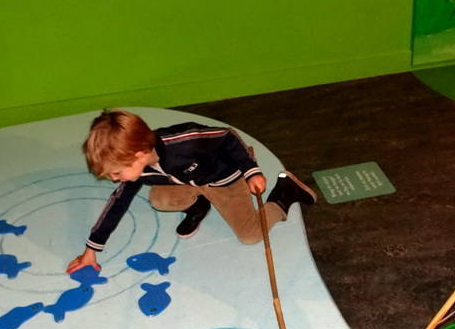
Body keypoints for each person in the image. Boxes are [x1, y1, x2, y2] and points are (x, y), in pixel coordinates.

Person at [67, 110, 316, 273]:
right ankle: (199, 206)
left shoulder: (184, 142)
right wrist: (91, 250)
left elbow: (228, 137)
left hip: (224, 179)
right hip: (191, 182)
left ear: (139, 155)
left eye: (116, 173)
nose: (114, 179)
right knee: (159, 198)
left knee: (250, 235)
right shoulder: (138, 169)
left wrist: (250, 170)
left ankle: (285, 192)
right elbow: (116, 204)